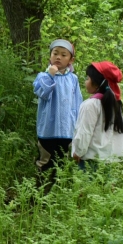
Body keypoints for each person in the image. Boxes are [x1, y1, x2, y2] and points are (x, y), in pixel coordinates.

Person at [33, 39, 83, 175]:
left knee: (62, 161)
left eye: (63, 55)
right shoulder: (43, 76)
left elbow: (78, 102)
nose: (58, 57)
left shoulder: (73, 79)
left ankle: (57, 185)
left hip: (67, 129)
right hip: (47, 129)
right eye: (55, 53)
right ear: (50, 56)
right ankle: (41, 185)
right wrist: (50, 75)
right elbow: (42, 93)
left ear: (71, 60)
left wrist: (78, 124)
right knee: (45, 160)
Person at [72, 62, 123, 170]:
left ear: (97, 83)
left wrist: (78, 152)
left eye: (88, 78)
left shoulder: (90, 105)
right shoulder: (115, 104)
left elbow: (84, 132)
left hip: (90, 161)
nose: (85, 81)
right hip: (109, 161)